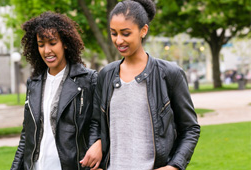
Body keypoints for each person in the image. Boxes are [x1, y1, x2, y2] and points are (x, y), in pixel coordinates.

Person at [81, 0, 200, 170]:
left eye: (126, 33)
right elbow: (96, 123)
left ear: (143, 30)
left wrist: (174, 166)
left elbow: (190, 129)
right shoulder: (106, 75)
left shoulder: (169, 73)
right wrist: (96, 146)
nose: (118, 40)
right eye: (114, 33)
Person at [11, 11, 98, 170]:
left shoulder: (88, 79)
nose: (46, 50)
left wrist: (95, 149)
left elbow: (96, 124)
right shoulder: (34, 83)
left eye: (52, 42)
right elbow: (27, 136)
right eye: (41, 44)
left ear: (65, 42)